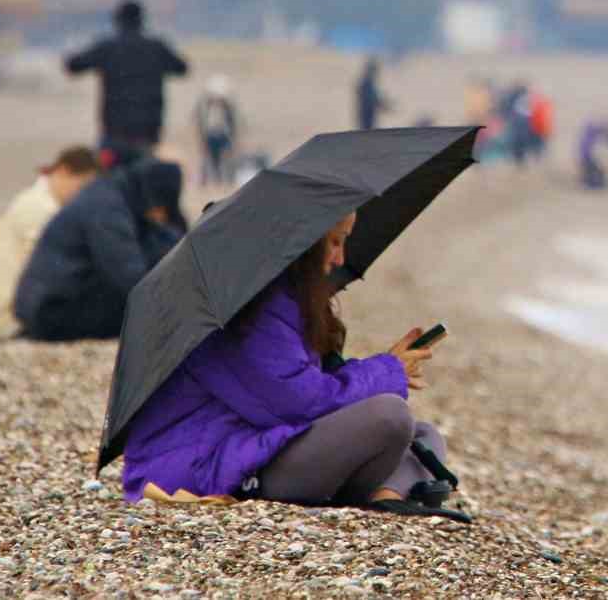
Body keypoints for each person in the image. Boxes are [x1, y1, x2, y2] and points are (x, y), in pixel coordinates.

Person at [121, 212, 457, 516]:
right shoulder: (246, 309)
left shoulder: (281, 298)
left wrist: (387, 368)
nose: (340, 257)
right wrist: (387, 370)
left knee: (424, 434)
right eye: (335, 242)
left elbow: (304, 386)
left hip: (260, 443)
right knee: (390, 415)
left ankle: (388, 497)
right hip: (215, 466)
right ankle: (389, 491)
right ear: (305, 245)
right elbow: (299, 403)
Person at [14, 159, 186, 341]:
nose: (160, 215)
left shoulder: (115, 193)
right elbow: (127, 273)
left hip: (43, 304)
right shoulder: (107, 207)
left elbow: (159, 240)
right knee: (141, 307)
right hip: (50, 312)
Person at [0, 146, 99, 341]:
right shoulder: (39, 208)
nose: (82, 196)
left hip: (5, 314)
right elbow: (46, 270)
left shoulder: (35, 200)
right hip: (9, 320)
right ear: (63, 171)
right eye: (81, 187)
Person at [65, 0, 189, 167]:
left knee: (107, 185)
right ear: (142, 20)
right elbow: (182, 68)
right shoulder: (156, 47)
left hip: (114, 136)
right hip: (147, 136)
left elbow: (73, 66)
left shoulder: (107, 47)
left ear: (118, 20)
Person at [193, 75, 240, 185]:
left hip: (223, 136)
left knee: (225, 160)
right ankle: (209, 181)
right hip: (210, 136)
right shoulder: (205, 108)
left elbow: (232, 124)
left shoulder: (227, 108)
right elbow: (200, 123)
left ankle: (225, 181)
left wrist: (233, 139)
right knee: (209, 160)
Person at [355, 57, 393, 131]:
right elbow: (372, 99)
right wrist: (384, 105)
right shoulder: (367, 83)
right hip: (366, 114)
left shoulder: (368, 83)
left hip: (367, 114)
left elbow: (374, 98)